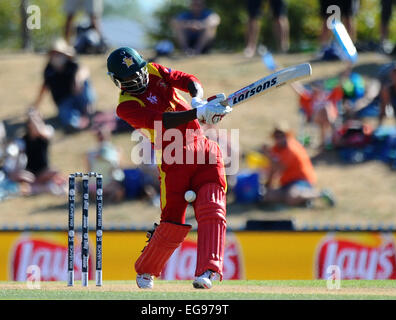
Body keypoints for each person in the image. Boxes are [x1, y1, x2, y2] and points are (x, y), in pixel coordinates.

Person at [106, 47, 232, 289]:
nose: (141, 78)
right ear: (118, 81)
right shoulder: (126, 106)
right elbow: (162, 121)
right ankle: (146, 270)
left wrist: (199, 101)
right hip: (173, 158)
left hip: (202, 147)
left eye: (140, 72)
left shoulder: (153, 69)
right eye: (132, 78)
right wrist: (200, 112)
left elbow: (188, 80)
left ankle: (208, 270)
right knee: (172, 220)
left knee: (212, 207)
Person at [261, 122, 335, 207]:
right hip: (286, 184)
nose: (279, 138)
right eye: (277, 136)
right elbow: (272, 170)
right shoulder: (276, 149)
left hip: (301, 181)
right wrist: (267, 186)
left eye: (281, 135)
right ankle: (303, 200)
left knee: (291, 197)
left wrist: (268, 155)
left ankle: (320, 194)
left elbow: (280, 168)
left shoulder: (291, 149)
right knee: (266, 195)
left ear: (287, 135)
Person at [31, 38, 95, 131]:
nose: (56, 56)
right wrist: (35, 106)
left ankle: (89, 113)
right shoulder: (49, 71)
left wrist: (78, 79)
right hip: (63, 102)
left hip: (78, 97)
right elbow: (44, 88)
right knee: (66, 114)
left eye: (59, 53)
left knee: (85, 83)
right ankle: (75, 124)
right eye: (54, 53)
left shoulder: (72, 64)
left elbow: (84, 71)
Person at [22, 109, 66, 196]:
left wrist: (33, 117)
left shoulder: (46, 132)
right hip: (30, 172)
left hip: (44, 171)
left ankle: (38, 185)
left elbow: (40, 131)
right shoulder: (24, 139)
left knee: (55, 172)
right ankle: (41, 185)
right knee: (23, 176)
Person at [291, 81, 343, 150]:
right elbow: (298, 90)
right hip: (316, 118)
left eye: (318, 87)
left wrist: (343, 78)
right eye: (315, 87)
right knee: (325, 108)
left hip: (327, 118)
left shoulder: (328, 96)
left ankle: (324, 143)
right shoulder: (310, 97)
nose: (316, 89)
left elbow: (339, 88)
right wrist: (291, 80)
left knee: (327, 109)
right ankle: (336, 138)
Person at [86, 126, 125, 203]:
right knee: (119, 189)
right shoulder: (116, 150)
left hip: (95, 185)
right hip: (105, 184)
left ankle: (102, 197)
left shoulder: (90, 153)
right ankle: (108, 197)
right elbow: (119, 167)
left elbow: (88, 171)